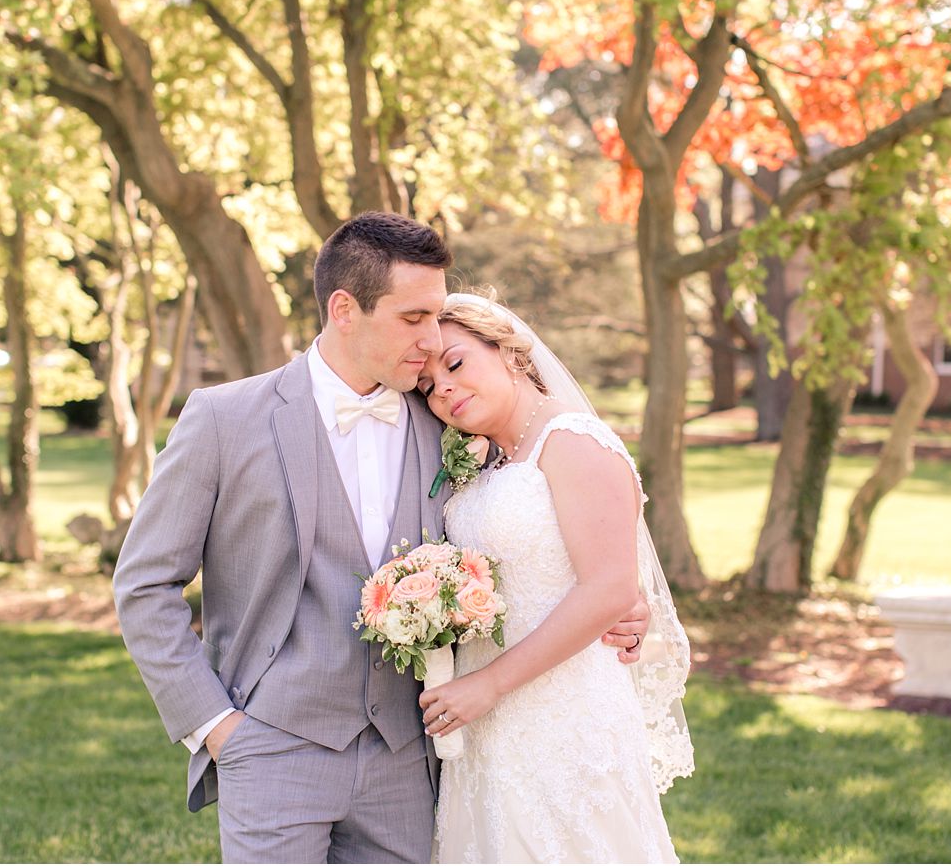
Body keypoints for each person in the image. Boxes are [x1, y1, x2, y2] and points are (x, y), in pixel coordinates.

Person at [113, 212, 649, 864]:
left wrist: (620, 599)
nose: (432, 338)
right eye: (414, 318)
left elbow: (527, 537)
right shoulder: (225, 419)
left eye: (437, 317)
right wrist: (217, 728)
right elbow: (144, 584)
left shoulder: (449, 424)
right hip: (272, 747)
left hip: (408, 759)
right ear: (345, 309)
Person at [416, 293, 695, 864]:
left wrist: (488, 684)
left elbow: (610, 589)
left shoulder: (572, 442)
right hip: (488, 724)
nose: (441, 388)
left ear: (510, 352)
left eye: (456, 363)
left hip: (563, 713)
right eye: (426, 385)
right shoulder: (483, 461)